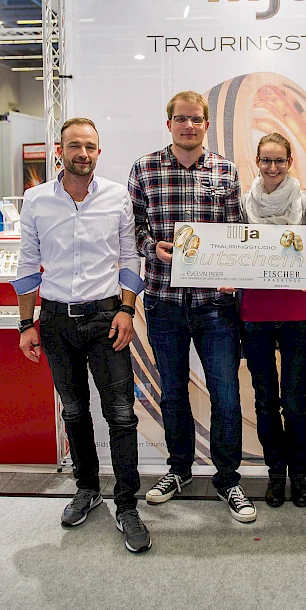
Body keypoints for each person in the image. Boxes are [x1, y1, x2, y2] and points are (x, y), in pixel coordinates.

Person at [13, 117, 150, 554]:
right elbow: (27, 263)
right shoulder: (36, 200)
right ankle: (87, 488)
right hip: (55, 321)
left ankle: (127, 505)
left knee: (121, 415)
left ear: (99, 152)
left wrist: (127, 309)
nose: (83, 153)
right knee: (73, 411)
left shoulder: (117, 196)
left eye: (90, 146)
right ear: (60, 150)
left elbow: (130, 257)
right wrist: (25, 324)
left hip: (106, 318)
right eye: (75, 145)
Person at [128, 90, 256, 523]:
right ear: (169, 124)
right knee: (172, 393)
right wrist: (153, 247)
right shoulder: (144, 168)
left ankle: (228, 478)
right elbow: (133, 229)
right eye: (181, 119)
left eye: (196, 119)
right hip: (163, 302)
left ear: (205, 124)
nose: (188, 125)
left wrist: (234, 268)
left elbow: (236, 229)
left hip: (214, 304)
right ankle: (179, 469)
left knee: (226, 394)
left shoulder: (225, 170)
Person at [239, 132, 306, 508]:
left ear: (290, 162)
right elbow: (236, 250)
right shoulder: (244, 203)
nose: (272, 167)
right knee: (264, 401)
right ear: (257, 162)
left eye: (279, 160)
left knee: (295, 401)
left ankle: (299, 475)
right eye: (266, 160)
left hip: (296, 313)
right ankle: (275, 474)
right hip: (255, 313)